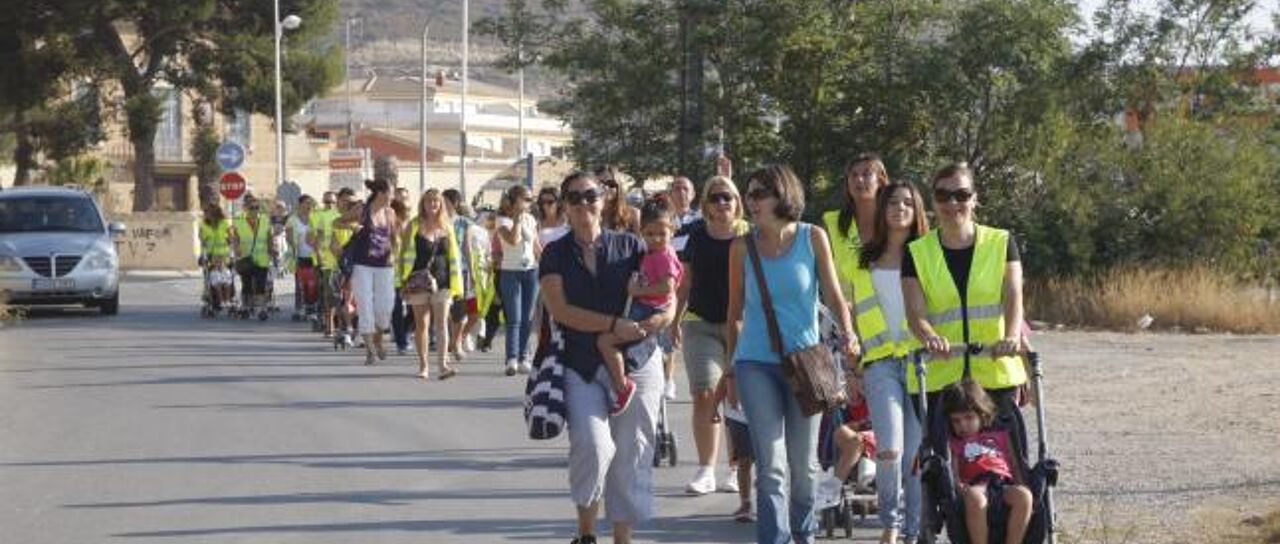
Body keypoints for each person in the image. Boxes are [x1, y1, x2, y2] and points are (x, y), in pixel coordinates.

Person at [725, 165, 858, 544]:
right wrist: (731, 371)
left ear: (783, 196)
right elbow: (733, 311)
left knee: (803, 467)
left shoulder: (812, 237)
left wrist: (848, 335)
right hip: (754, 364)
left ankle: (804, 536)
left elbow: (833, 294)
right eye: (748, 195)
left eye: (759, 194)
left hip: (806, 365)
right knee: (771, 467)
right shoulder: (741, 246)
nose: (751, 202)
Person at [540, 170, 672, 544]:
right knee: (593, 445)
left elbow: (666, 287)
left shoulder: (631, 246)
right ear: (565, 206)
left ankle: (622, 538)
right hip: (582, 363)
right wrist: (613, 323)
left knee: (632, 452)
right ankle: (585, 532)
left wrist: (660, 319)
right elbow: (561, 310)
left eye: (590, 195)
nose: (584, 203)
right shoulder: (555, 253)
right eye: (575, 197)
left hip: (638, 361)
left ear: (604, 200)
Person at [837, 179, 932, 543]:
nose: (900, 208)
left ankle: (912, 530)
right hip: (879, 363)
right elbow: (853, 316)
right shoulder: (864, 260)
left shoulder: (926, 255)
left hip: (920, 363)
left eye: (908, 203)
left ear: (917, 210)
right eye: (892, 202)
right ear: (882, 209)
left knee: (914, 453)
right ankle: (890, 523)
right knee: (889, 448)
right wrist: (852, 367)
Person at [902, 162, 1028, 420]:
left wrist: (1012, 336)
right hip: (939, 375)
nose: (952, 203)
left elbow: (1013, 295)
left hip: (994, 369)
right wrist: (929, 337)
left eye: (961, 195)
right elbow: (915, 312)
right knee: (942, 457)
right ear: (933, 202)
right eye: (943, 195)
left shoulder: (1002, 242)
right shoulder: (916, 252)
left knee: (1001, 454)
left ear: (974, 199)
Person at [672, 175, 750, 496]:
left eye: (727, 197)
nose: (722, 204)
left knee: (738, 397)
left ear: (737, 202)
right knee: (704, 393)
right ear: (705, 203)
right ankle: (706, 469)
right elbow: (685, 282)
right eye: (715, 198)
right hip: (701, 322)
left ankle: (736, 468)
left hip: (744, 326)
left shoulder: (750, 234)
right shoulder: (697, 236)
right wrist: (672, 320)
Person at [596, 200, 683, 415]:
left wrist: (637, 291)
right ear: (642, 232)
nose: (656, 239)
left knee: (606, 341)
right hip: (646, 308)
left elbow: (667, 287)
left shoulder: (664, 256)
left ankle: (622, 386)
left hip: (648, 310)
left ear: (672, 231)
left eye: (662, 233)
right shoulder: (653, 253)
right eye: (650, 233)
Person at [941, 379, 1033, 544]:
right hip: (976, 485)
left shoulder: (1001, 436)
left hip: (1003, 482)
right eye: (956, 421)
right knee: (975, 498)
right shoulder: (956, 443)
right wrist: (957, 484)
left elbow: (1013, 461)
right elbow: (953, 469)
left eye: (968, 418)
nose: (962, 425)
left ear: (982, 415)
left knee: (1024, 496)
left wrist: (1020, 481)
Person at [399, 189, 463, 379]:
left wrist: (457, 284)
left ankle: (443, 365)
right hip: (419, 281)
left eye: (436, 201)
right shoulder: (414, 225)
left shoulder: (447, 226)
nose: (433, 204)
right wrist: (401, 280)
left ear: (441, 204)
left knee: (442, 323)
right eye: (429, 201)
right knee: (422, 324)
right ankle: (423, 365)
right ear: (423, 204)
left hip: (443, 281)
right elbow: (403, 254)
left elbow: (455, 257)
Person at [349, 178, 401, 365]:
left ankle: (378, 339)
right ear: (381, 193)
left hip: (385, 266)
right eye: (391, 192)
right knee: (365, 306)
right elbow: (338, 222)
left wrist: (396, 254)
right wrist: (351, 226)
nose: (393, 196)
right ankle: (370, 349)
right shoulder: (362, 210)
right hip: (362, 265)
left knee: (385, 308)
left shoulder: (390, 213)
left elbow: (395, 238)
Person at [496, 184, 541, 375]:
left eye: (531, 199)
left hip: (531, 271)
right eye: (526, 199)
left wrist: (548, 264)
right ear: (514, 201)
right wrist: (516, 218)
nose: (530, 203)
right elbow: (513, 240)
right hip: (510, 272)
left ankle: (524, 357)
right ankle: (511, 359)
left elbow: (536, 246)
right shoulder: (502, 221)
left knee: (527, 318)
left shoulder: (531, 219)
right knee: (514, 318)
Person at [442, 189, 490, 360]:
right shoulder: (438, 221)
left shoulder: (464, 223)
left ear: (454, 203)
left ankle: (456, 342)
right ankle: (447, 346)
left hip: (460, 271)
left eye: (446, 201)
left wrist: (471, 271)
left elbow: (467, 248)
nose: (442, 204)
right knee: (444, 310)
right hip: (441, 270)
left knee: (460, 310)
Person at [231, 195, 271, 313]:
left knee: (261, 284)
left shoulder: (265, 219)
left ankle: (260, 307)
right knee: (246, 283)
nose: (254, 210)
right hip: (245, 257)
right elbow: (235, 238)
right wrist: (236, 248)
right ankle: (246, 306)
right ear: (246, 208)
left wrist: (272, 251)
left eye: (256, 207)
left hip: (262, 258)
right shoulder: (239, 221)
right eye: (252, 208)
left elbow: (269, 236)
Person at [309, 192, 342, 338]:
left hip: (345, 262)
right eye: (327, 202)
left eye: (332, 202)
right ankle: (330, 326)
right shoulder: (321, 217)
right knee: (329, 295)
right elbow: (317, 239)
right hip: (328, 263)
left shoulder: (346, 216)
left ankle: (345, 326)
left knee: (344, 296)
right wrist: (319, 257)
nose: (330, 205)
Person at [199, 203, 234, 311]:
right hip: (211, 258)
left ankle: (227, 300)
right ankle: (219, 300)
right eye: (206, 213)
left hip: (224, 257)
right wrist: (203, 254)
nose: (206, 215)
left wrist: (231, 243)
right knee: (216, 279)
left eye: (208, 212)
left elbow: (231, 238)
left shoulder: (225, 223)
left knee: (226, 278)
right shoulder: (204, 225)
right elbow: (202, 240)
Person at [288, 195, 318, 320]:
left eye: (310, 203)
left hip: (315, 256)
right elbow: (289, 238)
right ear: (300, 204)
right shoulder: (292, 220)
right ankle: (299, 308)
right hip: (299, 256)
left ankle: (312, 307)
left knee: (313, 283)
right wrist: (293, 246)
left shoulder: (315, 218)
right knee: (300, 284)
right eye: (306, 203)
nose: (309, 206)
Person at [596, 165, 640, 234]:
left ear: (618, 187)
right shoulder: (590, 214)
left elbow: (640, 242)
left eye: (611, 184)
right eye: (600, 184)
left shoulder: (633, 213)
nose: (606, 188)